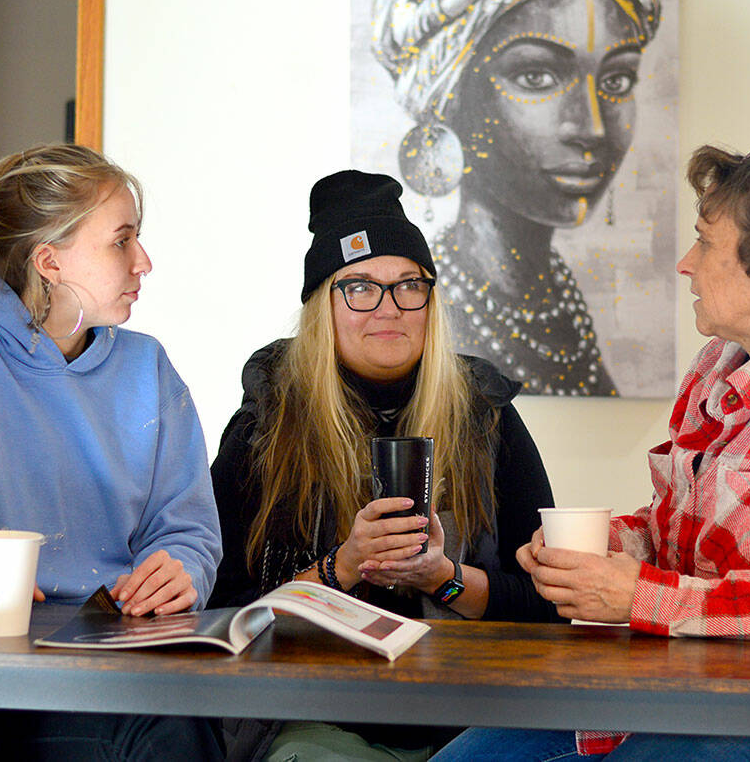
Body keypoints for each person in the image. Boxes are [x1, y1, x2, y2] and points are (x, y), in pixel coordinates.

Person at [431, 137, 750, 761]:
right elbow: (679, 536)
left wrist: (634, 596)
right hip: (683, 690)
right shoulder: (718, 363)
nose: (687, 263)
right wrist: (605, 550)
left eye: (706, 243)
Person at [209, 169, 560, 760]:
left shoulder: (485, 414)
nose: (389, 308)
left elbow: (546, 605)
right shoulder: (268, 425)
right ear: (323, 305)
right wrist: (345, 565)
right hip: (317, 715)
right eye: (360, 287)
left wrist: (443, 578)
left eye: (408, 286)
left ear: (430, 299)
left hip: (471, 717)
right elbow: (224, 614)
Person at [0, 144, 224, 761]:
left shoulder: (149, 366)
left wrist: (180, 568)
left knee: (190, 722)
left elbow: (188, 529)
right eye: (122, 241)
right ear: (49, 262)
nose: (144, 262)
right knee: (161, 736)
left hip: (132, 658)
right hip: (7, 675)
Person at [360, 0, 667, 396]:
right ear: (448, 93)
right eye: (536, 76)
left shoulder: (557, 301)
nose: (590, 127)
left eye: (616, 80)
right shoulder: (422, 315)